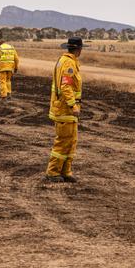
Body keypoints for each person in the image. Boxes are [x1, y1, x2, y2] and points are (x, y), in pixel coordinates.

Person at [45, 37, 82, 183]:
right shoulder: (68, 63)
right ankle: (53, 171)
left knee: (71, 141)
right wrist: (73, 105)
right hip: (65, 109)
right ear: (79, 50)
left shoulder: (66, 60)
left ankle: (65, 171)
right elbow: (66, 86)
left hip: (67, 110)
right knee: (63, 141)